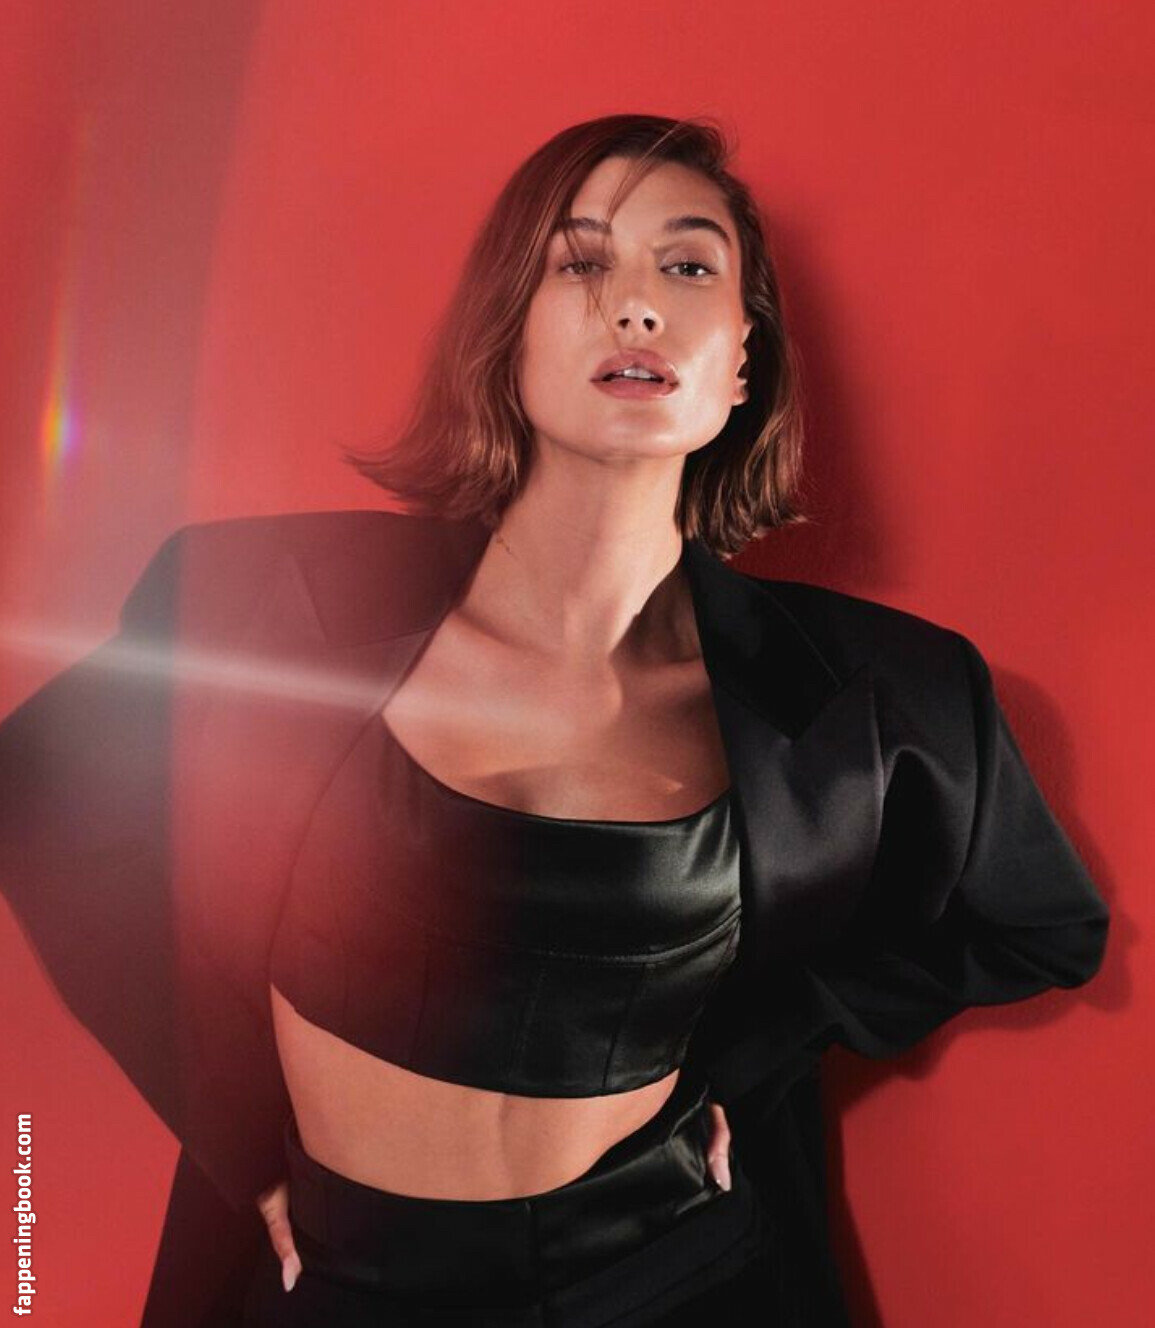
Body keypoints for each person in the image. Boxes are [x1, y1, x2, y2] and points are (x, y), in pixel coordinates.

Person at [0, 114, 1109, 1328]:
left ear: (743, 359)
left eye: (687, 265)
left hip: (672, 1274)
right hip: (335, 1275)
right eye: (581, 263)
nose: (637, 306)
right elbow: (40, 798)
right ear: (507, 331)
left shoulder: (880, 697)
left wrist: (769, 1045)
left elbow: (1044, 921)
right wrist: (230, 1124)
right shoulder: (255, 604)